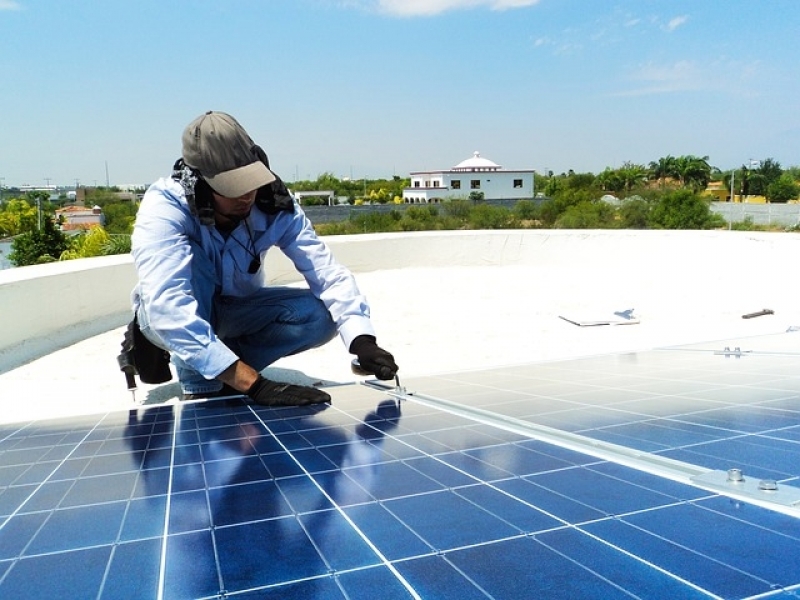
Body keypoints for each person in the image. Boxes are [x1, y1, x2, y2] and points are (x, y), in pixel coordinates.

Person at [129, 110, 398, 406]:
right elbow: (169, 307)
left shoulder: (275, 202)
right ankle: (201, 376)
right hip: (167, 315)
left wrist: (362, 340)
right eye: (232, 188)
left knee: (320, 317)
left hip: (237, 308)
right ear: (200, 183)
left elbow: (326, 272)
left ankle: (221, 366)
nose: (246, 195)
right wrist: (255, 386)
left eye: (251, 181)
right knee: (192, 265)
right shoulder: (165, 207)